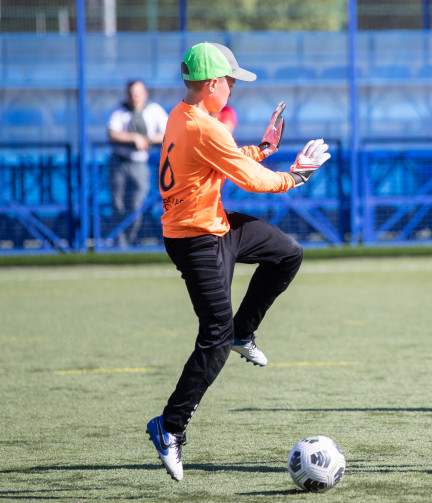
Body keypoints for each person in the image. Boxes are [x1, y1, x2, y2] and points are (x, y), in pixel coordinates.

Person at [146, 42, 330, 482]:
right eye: (229, 81)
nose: (233, 88)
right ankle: (168, 428)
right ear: (212, 84)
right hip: (196, 240)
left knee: (287, 254)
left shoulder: (184, 115)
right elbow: (249, 180)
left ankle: (244, 331)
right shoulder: (204, 127)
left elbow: (225, 160)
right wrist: (296, 175)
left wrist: (265, 148)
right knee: (213, 337)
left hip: (213, 225)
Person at [107, 79, 168, 247]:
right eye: (131, 94)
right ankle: (119, 246)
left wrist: (147, 139)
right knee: (118, 205)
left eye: (138, 94)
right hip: (119, 162)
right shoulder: (120, 111)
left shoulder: (154, 110)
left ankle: (130, 242)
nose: (134, 97)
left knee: (136, 205)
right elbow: (112, 134)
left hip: (140, 164)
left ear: (144, 94)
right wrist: (133, 138)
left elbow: (168, 132)